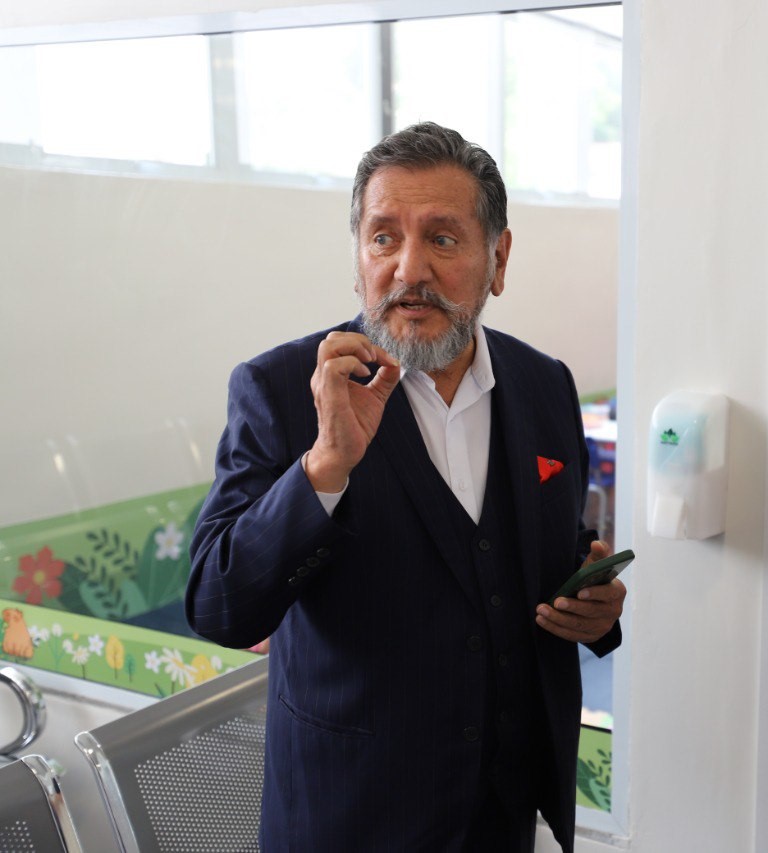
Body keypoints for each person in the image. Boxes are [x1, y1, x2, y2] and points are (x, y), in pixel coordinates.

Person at [186, 121, 626, 852]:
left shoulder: (545, 385)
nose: (408, 268)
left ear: (498, 258)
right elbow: (217, 605)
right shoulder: (282, 390)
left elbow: (544, 550)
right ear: (358, 256)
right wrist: (325, 466)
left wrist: (594, 605)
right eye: (383, 237)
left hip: (502, 817)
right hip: (351, 819)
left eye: (442, 239)